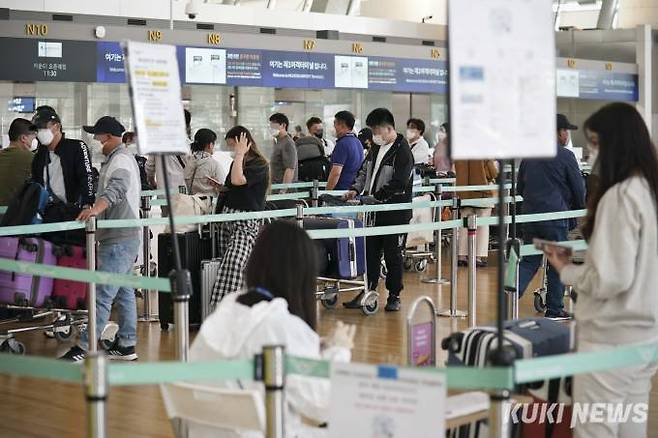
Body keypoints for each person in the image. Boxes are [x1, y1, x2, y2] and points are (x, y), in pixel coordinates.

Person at [543, 103, 658, 438]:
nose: (592, 152)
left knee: (596, 430)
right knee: (629, 428)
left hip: (610, 339)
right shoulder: (649, 191)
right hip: (646, 336)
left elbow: (612, 278)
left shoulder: (620, 197)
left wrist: (566, 270)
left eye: (596, 143)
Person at [190, 220, 356, 437]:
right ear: (303, 274)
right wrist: (340, 351)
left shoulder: (229, 306)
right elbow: (323, 405)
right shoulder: (283, 326)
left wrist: (314, 347)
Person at [61, 116, 141, 362]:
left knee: (103, 293)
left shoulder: (120, 161)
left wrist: (95, 210)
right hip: (124, 236)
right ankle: (127, 344)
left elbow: (115, 190)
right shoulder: (119, 159)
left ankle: (85, 348)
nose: (96, 141)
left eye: (97, 136)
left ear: (107, 136)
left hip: (118, 239)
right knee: (124, 293)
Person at [517, 113, 586, 319]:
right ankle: (554, 309)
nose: (567, 135)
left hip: (530, 217)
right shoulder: (565, 156)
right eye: (565, 131)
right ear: (557, 132)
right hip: (555, 218)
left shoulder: (530, 155)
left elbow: (520, 187)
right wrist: (579, 209)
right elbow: (578, 189)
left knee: (529, 261)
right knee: (558, 263)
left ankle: (510, 297)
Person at [344, 108, 414, 312]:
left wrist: (376, 198)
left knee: (393, 255)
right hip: (373, 212)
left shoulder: (402, 151)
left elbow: (399, 183)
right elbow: (365, 171)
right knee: (370, 253)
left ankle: (394, 295)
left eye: (376, 129)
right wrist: (354, 189)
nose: (374, 133)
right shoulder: (376, 147)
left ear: (388, 128)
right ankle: (369, 290)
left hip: (395, 212)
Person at [211, 126, 270, 307]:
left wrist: (240, 155)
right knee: (226, 260)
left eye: (233, 145)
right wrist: (220, 188)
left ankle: (227, 307)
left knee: (234, 263)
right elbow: (233, 185)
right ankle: (238, 306)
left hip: (245, 219)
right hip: (227, 217)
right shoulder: (239, 162)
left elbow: (238, 180)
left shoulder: (259, 164)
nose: (231, 149)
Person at [31, 105, 95, 209]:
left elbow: (86, 176)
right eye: (37, 129)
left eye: (43, 127)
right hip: (47, 213)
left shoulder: (77, 147)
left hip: (72, 212)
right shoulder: (39, 156)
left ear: (57, 127)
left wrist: (87, 204)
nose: (40, 132)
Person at [455, 159, 498, 267]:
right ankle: (477, 257)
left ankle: (461, 255)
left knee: (464, 225)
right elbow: (492, 172)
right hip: (482, 191)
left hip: (463, 192)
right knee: (482, 225)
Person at [145, 109, 190, 198]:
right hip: (183, 194)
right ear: (186, 125)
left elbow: (149, 167)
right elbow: (190, 169)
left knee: (166, 212)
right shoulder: (186, 144)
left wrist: (152, 182)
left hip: (164, 193)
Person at [0, 119, 37, 205]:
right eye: (33, 138)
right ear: (23, 138)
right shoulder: (32, 158)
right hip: (15, 213)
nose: (34, 142)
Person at [326, 111, 364, 191]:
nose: (333, 127)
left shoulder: (342, 144)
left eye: (335, 124)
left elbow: (336, 173)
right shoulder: (358, 142)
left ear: (342, 125)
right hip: (353, 191)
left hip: (340, 194)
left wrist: (327, 193)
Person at [184, 128, 227, 196]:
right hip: (206, 204)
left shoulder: (188, 162)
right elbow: (224, 189)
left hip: (190, 203)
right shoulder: (214, 165)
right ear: (210, 145)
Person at [268, 112, 297, 187]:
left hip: (283, 190)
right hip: (275, 186)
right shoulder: (277, 142)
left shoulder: (288, 143)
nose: (271, 128)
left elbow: (289, 169)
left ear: (283, 125)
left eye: (274, 125)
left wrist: (283, 191)